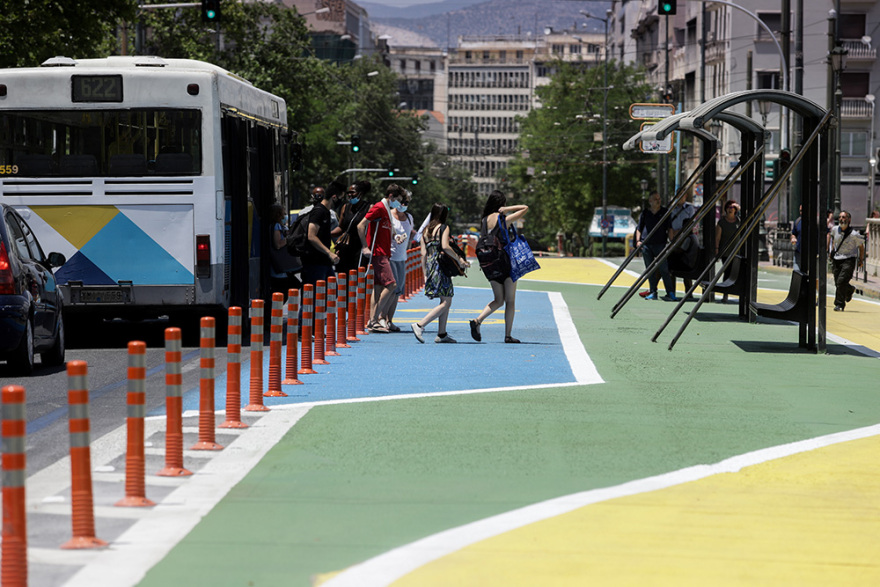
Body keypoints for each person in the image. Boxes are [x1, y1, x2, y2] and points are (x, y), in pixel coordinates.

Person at [469, 190, 529, 343]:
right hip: (505, 263)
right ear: (501, 205)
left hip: (489, 264)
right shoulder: (503, 219)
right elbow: (525, 208)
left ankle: (478, 320)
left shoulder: (483, 220)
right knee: (510, 300)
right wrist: (506, 210)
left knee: (498, 299)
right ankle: (508, 335)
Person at [410, 203, 469, 343]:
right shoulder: (443, 227)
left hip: (430, 266)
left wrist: (425, 274)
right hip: (441, 266)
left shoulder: (424, 231)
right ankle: (420, 325)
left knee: (444, 299)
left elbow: (423, 254)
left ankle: (441, 334)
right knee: (446, 301)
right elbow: (445, 246)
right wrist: (460, 260)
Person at [358, 183, 406, 333]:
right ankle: (373, 319)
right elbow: (361, 225)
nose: (399, 203)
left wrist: (395, 236)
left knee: (378, 288)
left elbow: (387, 228)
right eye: (397, 200)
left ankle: (373, 321)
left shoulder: (386, 209)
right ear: (391, 196)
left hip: (385, 252)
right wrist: (365, 247)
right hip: (378, 253)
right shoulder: (379, 207)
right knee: (391, 285)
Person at [635, 192, 676, 301]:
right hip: (646, 245)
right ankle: (653, 292)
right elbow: (639, 228)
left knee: (664, 269)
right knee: (650, 270)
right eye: (655, 199)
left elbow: (670, 228)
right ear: (650, 201)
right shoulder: (645, 213)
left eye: (659, 198)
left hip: (660, 244)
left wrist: (672, 240)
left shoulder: (664, 212)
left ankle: (670, 292)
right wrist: (638, 241)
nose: (658, 200)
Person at [300, 186, 340, 287]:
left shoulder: (330, 213)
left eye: (321, 195)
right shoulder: (305, 212)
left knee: (330, 292)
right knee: (314, 293)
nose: (319, 197)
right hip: (313, 259)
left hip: (324, 259)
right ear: (312, 196)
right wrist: (329, 253)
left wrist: (337, 248)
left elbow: (334, 234)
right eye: (316, 195)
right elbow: (311, 236)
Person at [386, 190, 414, 332]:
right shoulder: (390, 215)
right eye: (401, 202)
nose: (403, 205)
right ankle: (381, 318)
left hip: (402, 258)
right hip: (389, 256)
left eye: (406, 203)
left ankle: (389, 320)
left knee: (397, 292)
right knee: (390, 289)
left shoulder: (409, 217)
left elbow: (410, 236)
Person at [827, 210, 865, 311]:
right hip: (837, 260)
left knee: (841, 281)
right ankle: (849, 290)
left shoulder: (854, 234)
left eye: (844, 217)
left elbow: (861, 247)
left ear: (849, 219)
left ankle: (839, 304)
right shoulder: (835, 229)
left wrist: (861, 260)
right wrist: (830, 250)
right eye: (840, 217)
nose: (841, 219)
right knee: (838, 283)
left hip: (849, 260)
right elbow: (830, 238)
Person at [335, 180, 371, 276]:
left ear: (361, 193)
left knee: (358, 276)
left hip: (360, 247)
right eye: (348, 193)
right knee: (344, 277)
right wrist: (327, 233)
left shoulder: (369, 208)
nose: (349, 195)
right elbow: (341, 228)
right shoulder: (345, 207)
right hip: (345, 247)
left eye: (352, 192)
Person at [668, 190, 698, 300]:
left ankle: (686, 291)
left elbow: (690, 225)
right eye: (678, 195)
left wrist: (680, 231)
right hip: (674, 240)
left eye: (682, 195)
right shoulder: (671, 209)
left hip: (684, 239)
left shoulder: (689, 208)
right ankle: (671, 291)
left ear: (685, 196)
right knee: (673, 262)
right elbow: (669, 225)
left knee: (672, 264)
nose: (680, 197)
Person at [269, 202, 299, 295]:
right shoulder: (276, 226)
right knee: (286, 290)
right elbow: (278, 244)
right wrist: (289, 239)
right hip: (279, 267)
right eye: (283, 213)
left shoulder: (278, 225)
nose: (285, 215)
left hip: (279, 268)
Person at [714, 199, 740, 303]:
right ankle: (725, 294)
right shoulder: (722, 222)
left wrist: (739, 208)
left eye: (733, 208)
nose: (731, 209)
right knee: (728, 272)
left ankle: (735, 292)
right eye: (729, 207)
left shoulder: (739, 221)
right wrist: (716, 250)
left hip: (737, 251)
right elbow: (717, 238)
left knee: (737, 272)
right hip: (726, 252)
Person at [790, 204, 802, 272]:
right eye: (800, 211)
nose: (801, 212)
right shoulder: (797, 221)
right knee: (797, 271)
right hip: (798, 251)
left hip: (810, 253)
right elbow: (793, 234)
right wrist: (793, 238)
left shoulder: (815, 222)